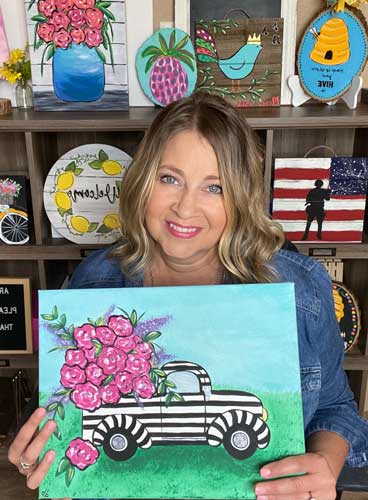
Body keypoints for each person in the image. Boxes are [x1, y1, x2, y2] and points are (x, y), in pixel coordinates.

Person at [8, 92, 368, 500]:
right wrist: (38, 452)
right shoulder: (95, 283)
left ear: (240, 197)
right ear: (144, 181)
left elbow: (336, 407)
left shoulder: (299, 288)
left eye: (213, 187)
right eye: (170, 179)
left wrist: (325, 466)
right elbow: (60, 407)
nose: (185, 207)